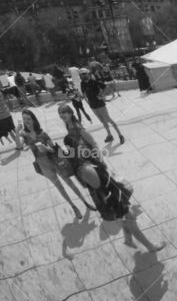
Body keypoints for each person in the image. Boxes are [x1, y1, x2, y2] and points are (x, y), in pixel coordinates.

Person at [58, 104, 166, 252]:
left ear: (71, 113)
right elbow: (92, 179)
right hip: (102, 182)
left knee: (126, 216)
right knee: (129, 217)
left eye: (65, 112)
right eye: (60, 113)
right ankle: (150, 246)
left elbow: (94, 144)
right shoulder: (73, 140)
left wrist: (101, 162)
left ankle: (128, 239)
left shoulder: (78, 129)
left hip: (101, 174)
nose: (63, 115)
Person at [19, 109, 92, 219]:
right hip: (43, 165)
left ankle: (85, 202)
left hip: (54, 161)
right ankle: (73, 207)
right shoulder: (23, 134)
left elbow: (53, 149)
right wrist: (16, 132)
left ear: (33, 120)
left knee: (69, 183)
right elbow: (19, 146)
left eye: (28, 119)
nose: (26, 121)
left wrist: (46, 148)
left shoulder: (42, 133)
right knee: (59, 187)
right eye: (24, 119)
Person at [81, 68, 125, 144]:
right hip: (93, 106)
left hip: (100, 104)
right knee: (102, 121)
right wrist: (88, 102)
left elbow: (106, 87)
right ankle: (109, 135)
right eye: (82, 74)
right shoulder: (82, 83)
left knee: (108, 120)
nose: (83, 75)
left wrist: (102, 95)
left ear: (88, 74)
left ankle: (120, 135)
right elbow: (84, 94)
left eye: (85, 73)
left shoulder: (94, 81)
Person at [0, 81, 23, 149]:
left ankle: (18, 145)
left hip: (0, 116)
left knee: (10, 131)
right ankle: (23, 140)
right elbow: (5, 99)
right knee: (14, 129)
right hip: (7, 113)